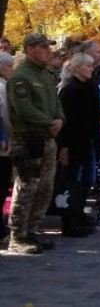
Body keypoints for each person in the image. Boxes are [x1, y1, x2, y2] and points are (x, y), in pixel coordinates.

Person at [7, 33, 65, 255]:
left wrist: (59, 120)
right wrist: (48, 122)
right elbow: (24, 108)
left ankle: (32, 229)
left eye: (49, 47)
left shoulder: (47, 75)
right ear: (30, 49)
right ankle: (18, 236)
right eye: (43, 47)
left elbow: (56, 102)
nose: (48, 51)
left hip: (48, 138)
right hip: (29, 139)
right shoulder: (20, 76)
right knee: (27, 187)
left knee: (45, 187)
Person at [58, 53, 100, 237]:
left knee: (86, 181)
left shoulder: (89, 87)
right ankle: (69, 220)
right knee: (71, 182)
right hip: (73, 142)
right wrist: (65, 146)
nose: (92, 69)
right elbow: (67, 121)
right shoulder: (69, 90)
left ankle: (79, 213)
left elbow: (92, 113)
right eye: (88, 66)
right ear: (77, 68)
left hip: (88, 140)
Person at [0, 51, 15, 240]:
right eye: (9, 67)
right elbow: (3, 116)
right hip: (4, 143)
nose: (12, 70)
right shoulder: (1, 87)